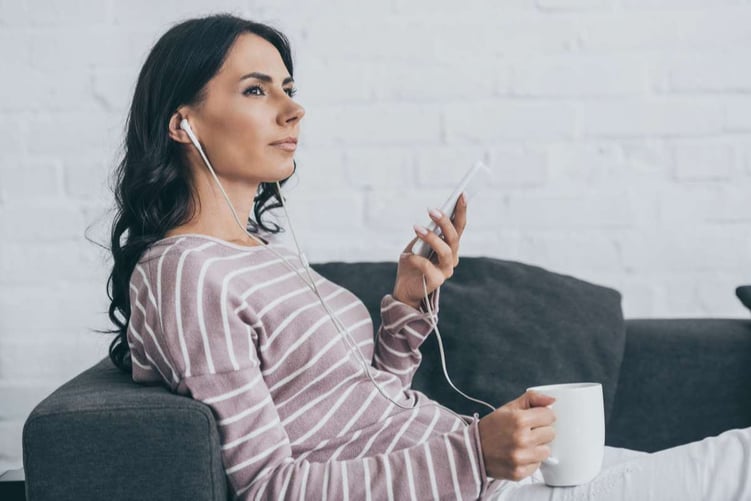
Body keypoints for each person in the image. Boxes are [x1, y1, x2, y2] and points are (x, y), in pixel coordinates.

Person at [106, 14, 751, 500]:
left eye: (288, 86)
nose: (294, 107)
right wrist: (475, 454)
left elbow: (365, 409)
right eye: (256, 90)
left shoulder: (261, 256)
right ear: (182, 122)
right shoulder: (188, 273)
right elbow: (273, 486)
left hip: (477, 478)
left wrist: (407, 306)